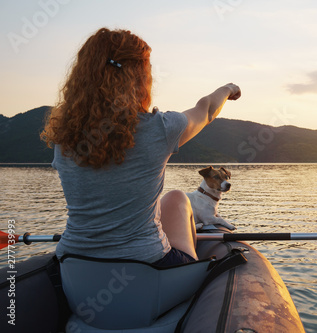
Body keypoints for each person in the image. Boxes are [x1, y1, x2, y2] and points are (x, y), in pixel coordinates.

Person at [41, 27, 241, 267]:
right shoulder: (160, 129)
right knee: (180, 202)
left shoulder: (64, 138)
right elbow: (207, 109)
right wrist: (228, 88)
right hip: (146, 267)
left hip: (73, 264)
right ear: (139, 78)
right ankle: (193, 282)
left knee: (176, 197)